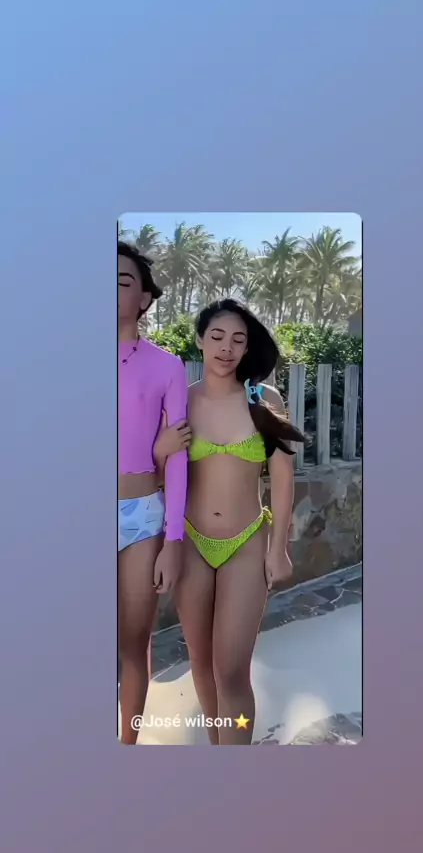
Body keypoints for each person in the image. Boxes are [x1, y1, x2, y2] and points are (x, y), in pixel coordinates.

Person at [154, 299, 304, 745]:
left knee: (232, 671)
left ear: (247, 348)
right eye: (217, 336)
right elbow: (159, 473)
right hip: (191, 543)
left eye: (238, 340)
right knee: (201, 665)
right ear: (200, 340)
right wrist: (161, 449)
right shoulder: (180, 399)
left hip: (247, 542)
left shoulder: (264, 399)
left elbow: (282, 476)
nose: (226, 348)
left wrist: (278, 548)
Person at [118, 240, 188, 744]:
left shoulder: (167, 366)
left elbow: (179, 454)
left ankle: (127, 745)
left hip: (142, 516)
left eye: (122, 281)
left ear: (144, 298)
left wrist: (173, 541)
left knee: (133, 642)